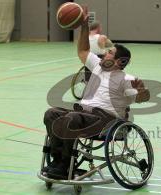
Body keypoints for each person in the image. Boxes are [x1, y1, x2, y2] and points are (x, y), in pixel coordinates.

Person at [42, 6, 150, 180]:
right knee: (51, 114)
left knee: (72, 119)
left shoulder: (126, 79)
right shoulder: (98, 67)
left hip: (107, 121)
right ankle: (58, 161)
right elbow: (83, 50)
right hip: (83, 114)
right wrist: (84, 26)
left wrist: (142, 90)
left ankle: (65, 164)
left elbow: (143, 98)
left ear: (118, 61)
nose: (105, 53)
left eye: (110, 53)